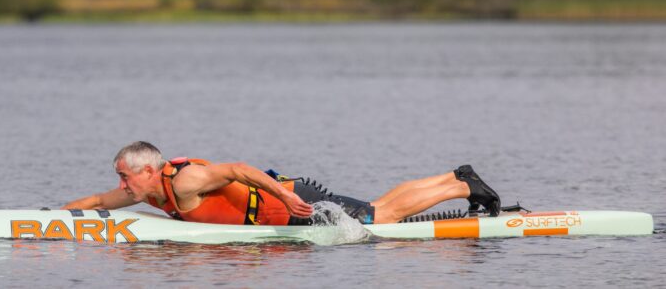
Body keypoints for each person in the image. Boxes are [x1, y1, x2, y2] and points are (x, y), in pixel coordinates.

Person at [63, 141, 501, 225]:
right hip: (285, 202)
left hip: (292, 203)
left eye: (124, 174)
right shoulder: (146, 188)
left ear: (146, 170)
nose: (119, 183)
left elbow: (238, 169)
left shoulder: (184, 179)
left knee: (380, 217)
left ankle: (463, 188)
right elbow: (100, 200)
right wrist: (48, 218)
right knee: (377, 206)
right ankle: (456, 178)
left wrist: (288, 200)